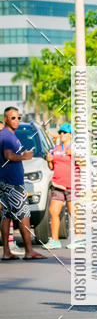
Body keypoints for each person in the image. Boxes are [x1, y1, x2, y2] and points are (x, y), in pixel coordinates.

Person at [0, 107, 45, 260]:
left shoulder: (6, 135)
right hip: (13, 183)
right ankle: (29, 251)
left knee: (6, 216)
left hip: (4, 182)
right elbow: (9, 155)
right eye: (13, 118)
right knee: (24, 216)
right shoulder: (8, 136)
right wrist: (24, 157)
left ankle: (6, 252)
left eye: (18, 117)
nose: (17, 121)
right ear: (6, 119)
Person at [44, 122, 83, 249]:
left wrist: (75, 155)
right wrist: (49, 160)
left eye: (64, 133)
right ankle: (55, 241)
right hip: (58, 185)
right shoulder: (56, 149)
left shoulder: (76, 147)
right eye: (60, 132)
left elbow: (84, 164)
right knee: (53, 211)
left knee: (74, 212)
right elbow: (52, 167)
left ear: (71, 135)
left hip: (72, 185)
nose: (61, 135)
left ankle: (79, 239)